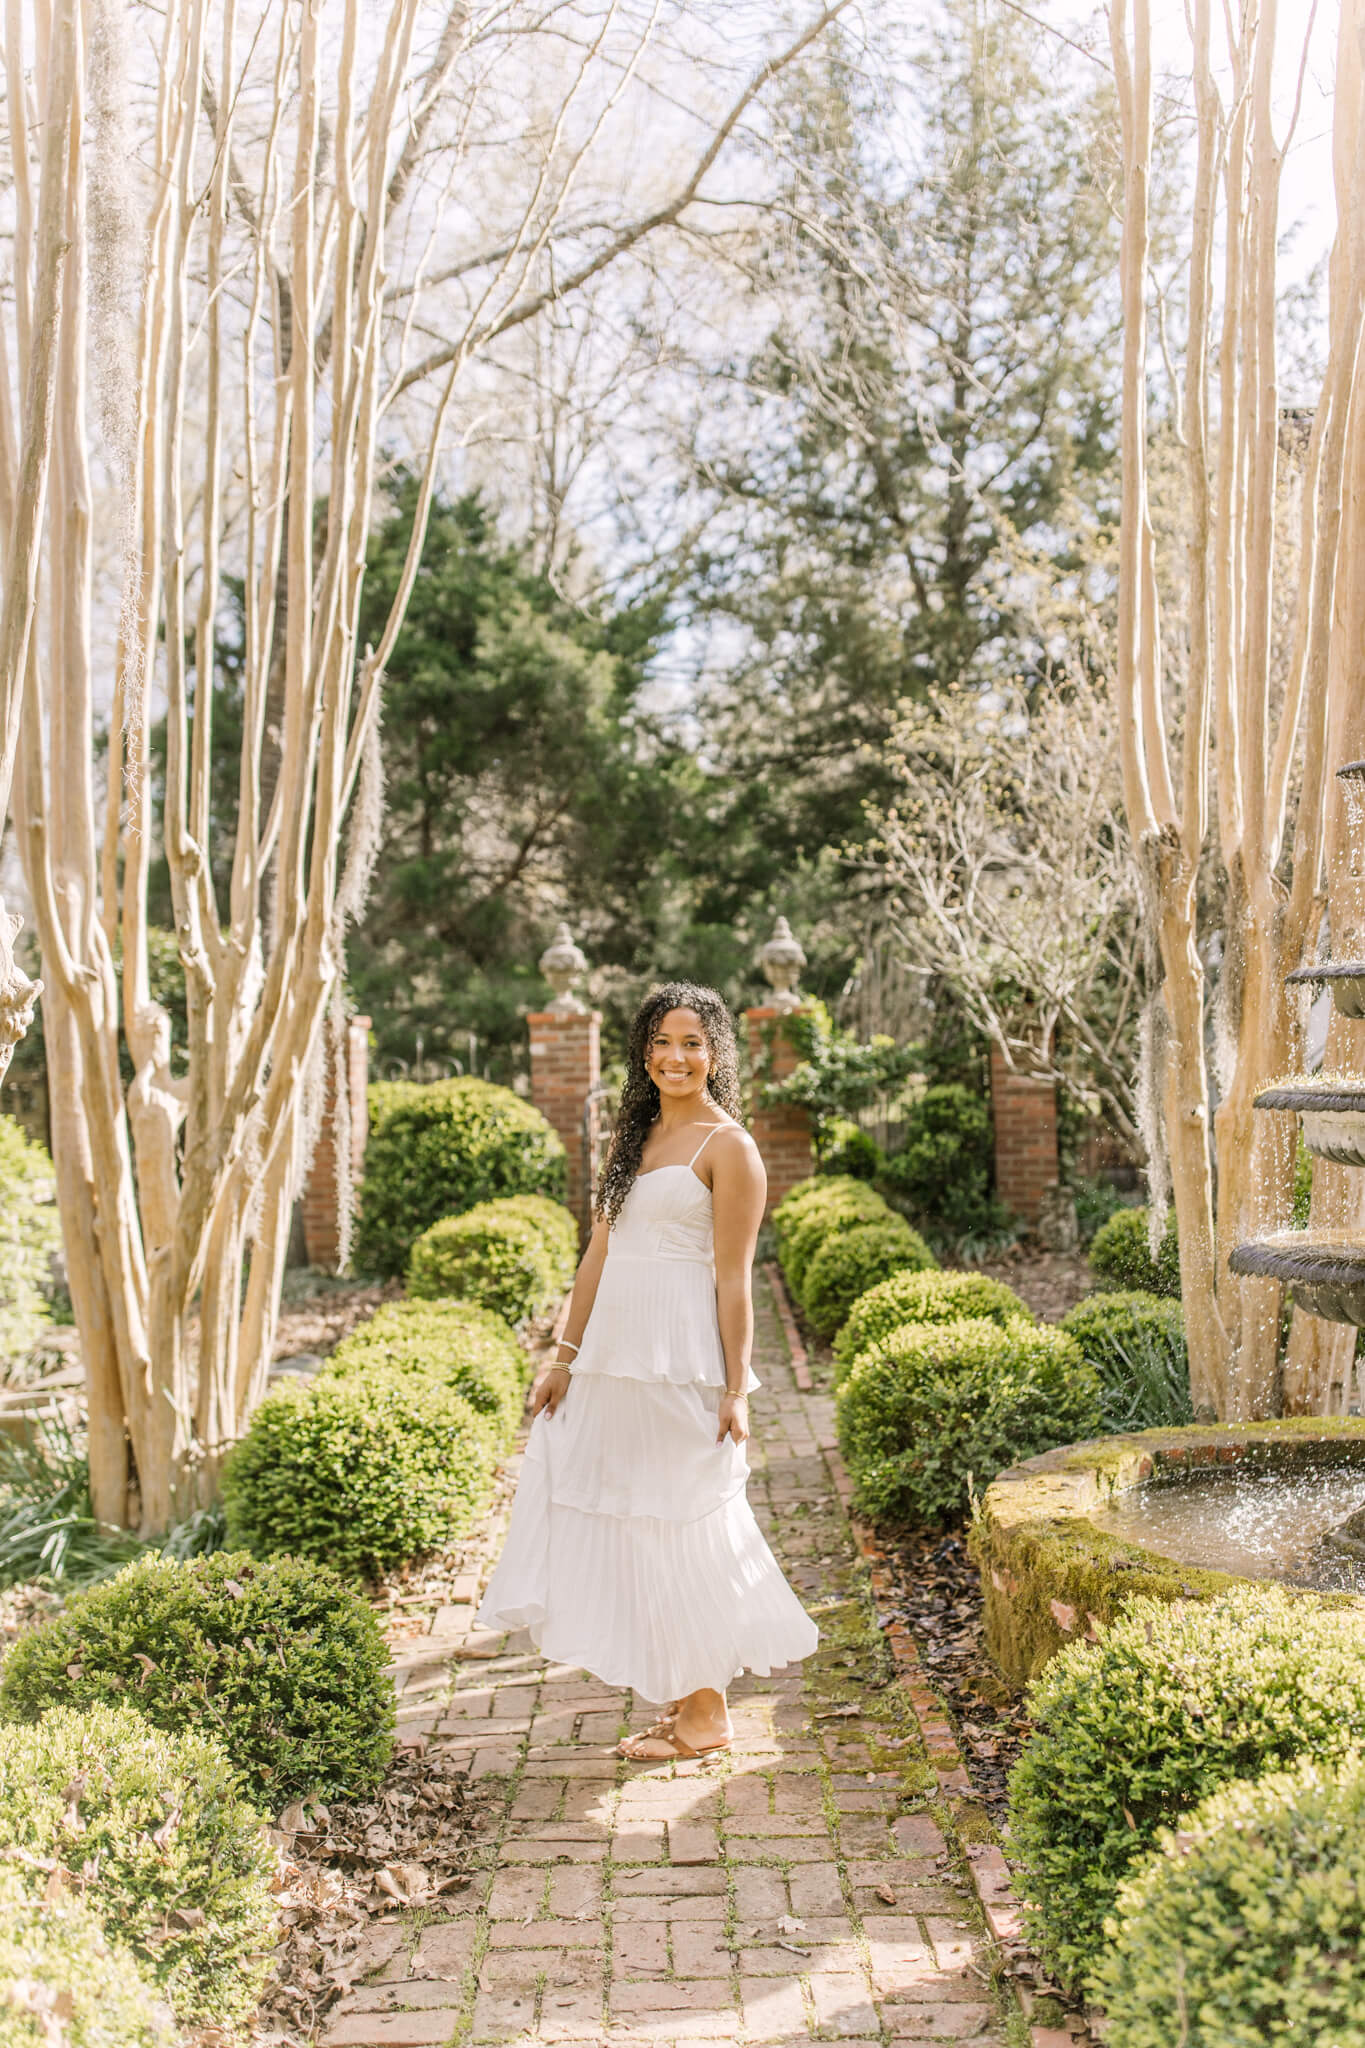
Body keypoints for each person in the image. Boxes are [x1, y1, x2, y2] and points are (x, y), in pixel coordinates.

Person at [476, 980, 818, 1759]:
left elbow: (732, 1279)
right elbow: (597, 1255)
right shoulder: (629, 1140)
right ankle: (686, 1694)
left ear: (715, 1053)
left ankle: (707, 1713)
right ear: (642, 1052)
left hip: (679, 1364)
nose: (675, 1057)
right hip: (612, 1361)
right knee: (634, 1523)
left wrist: (735, 1389)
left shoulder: (730, 1148)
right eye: (661, 1042)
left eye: (692, 1043)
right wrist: (564, 1357)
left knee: (681, 1524)